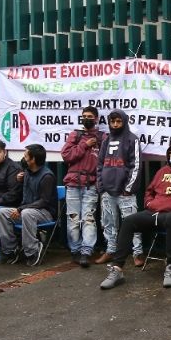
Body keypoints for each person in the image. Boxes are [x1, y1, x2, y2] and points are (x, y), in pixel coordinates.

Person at [100, 141, 171, 290]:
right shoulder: (162, 171)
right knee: (129, 221)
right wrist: (149, 204)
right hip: (154, 212)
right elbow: (149, 191)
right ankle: (117, 269)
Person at [94, 109, 142, 266]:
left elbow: (135, 165)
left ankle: (137, 253)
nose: (115, 124)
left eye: (118, 121)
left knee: (132, 223)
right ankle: (110, 250)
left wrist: (128, 188)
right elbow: (100, 164)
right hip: (107, 192)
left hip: (125, 192)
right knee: (108, 223)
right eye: (112, 121)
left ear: (124, 121)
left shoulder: (132, 139)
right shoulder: (106, 140)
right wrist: (101, 186)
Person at [0, 144, 58, 266]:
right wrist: (20, 180)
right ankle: (11, 250)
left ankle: (32, 250)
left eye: (25, 156)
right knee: (2, 213)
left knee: (27, 213)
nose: (23, 158)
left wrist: (21, 208)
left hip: (45, 213)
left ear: (33, 159)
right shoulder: (27, 172)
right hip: (26, 211)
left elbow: (43, 201)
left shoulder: (47, 176)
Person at [61, 106, 105, 268]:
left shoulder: (102, 137)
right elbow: (66, 155)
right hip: (73, 183)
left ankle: (87, 251)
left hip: (91, 184)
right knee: (73, 218)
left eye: (90, 116)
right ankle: (75, 250)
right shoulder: (76, 135)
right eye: (84, 116)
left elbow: (105, 160)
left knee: (88, 218)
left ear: (96, 119)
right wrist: (84, 145)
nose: (86, 119)